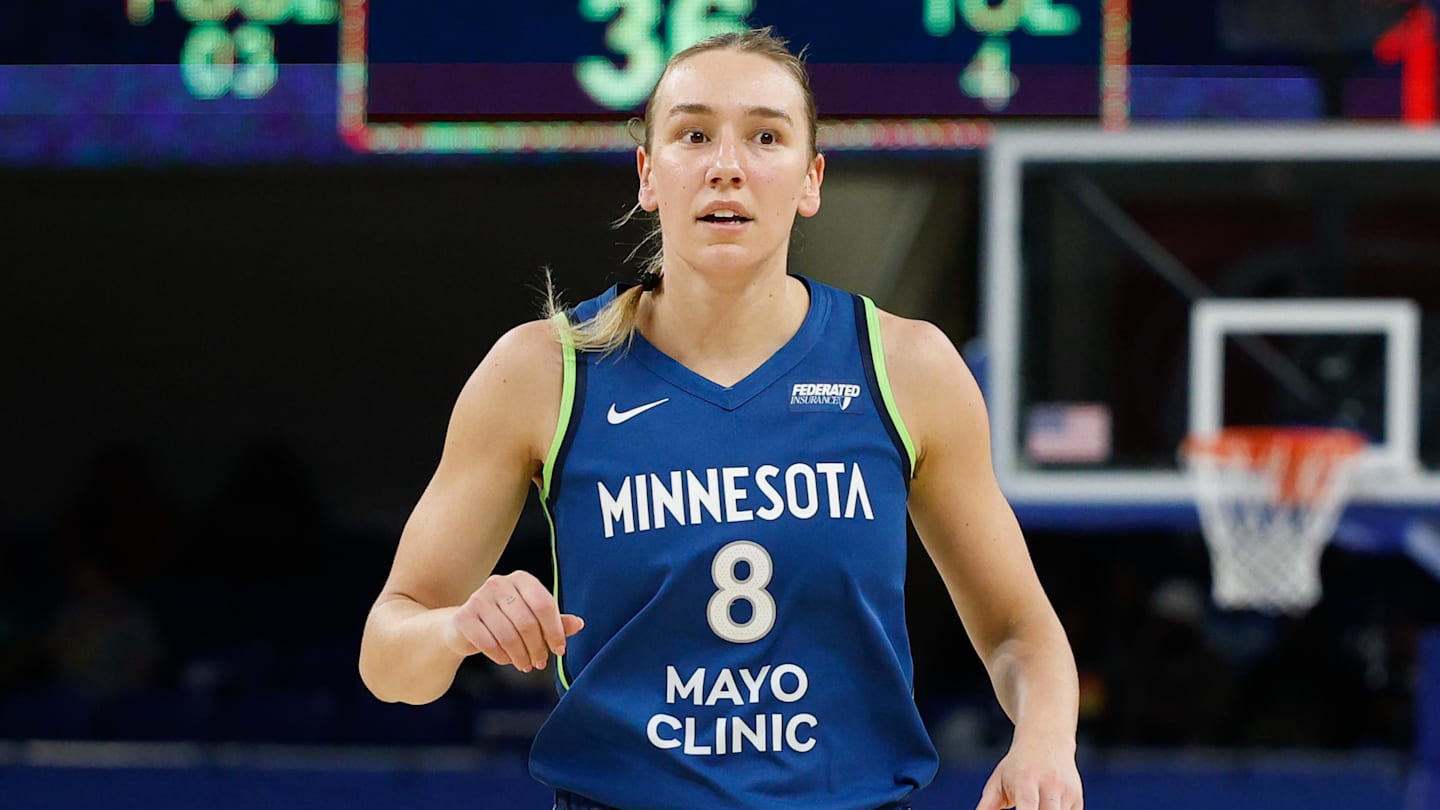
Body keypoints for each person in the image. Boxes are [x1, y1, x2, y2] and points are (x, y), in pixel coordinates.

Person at [358, 26, 1083, 810]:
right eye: (694, 134)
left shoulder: (905, 367)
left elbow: (1019, 631)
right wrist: (458, 629)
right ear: (647, 174)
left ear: (811, 181)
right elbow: (387, 655)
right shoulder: (542, 371)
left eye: (766, 137)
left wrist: (1043, 743)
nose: (727, 166)